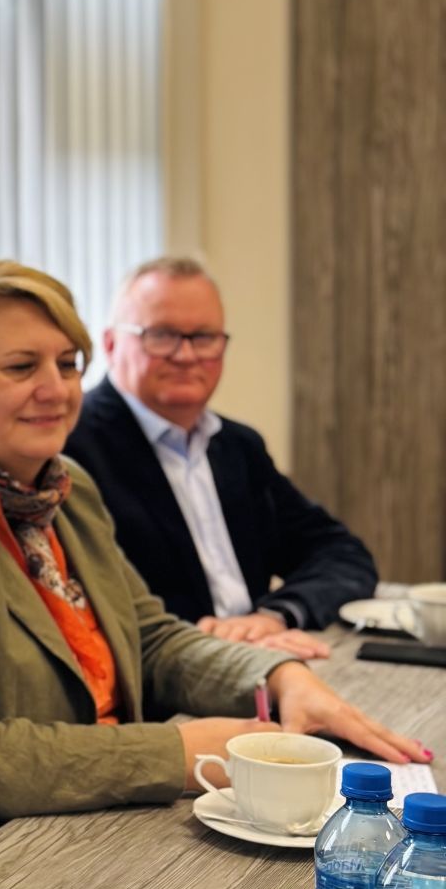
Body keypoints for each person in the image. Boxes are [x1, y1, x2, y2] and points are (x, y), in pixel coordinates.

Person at [0, 261, 426, 889]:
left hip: (63, 834)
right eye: (21, 367)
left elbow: (151, 637)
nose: (56, 388)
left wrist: (277, 676)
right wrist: (180, 752)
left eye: (68, 363)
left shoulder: (60, 486)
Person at [65, 256, 378, 658]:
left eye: (204, 337)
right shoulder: (69, 449)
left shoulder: (237, 447)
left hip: (264, 657)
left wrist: (276, 615)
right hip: (164, 678)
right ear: (110, 344)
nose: (186, 355)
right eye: (161, 335)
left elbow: (341, 553)